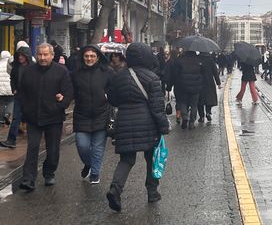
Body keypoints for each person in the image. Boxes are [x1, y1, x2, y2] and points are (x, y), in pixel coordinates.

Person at [105, 43, 170, 212]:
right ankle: (152, 192)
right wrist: (164, 127)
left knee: (126, 160)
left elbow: (112, 99)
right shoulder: (152, 78)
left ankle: (115, 189)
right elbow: (157, 107)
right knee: (151, 158)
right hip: (148, 124)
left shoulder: (118, 76)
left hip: (124, 122)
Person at [18, 43, 74, 191]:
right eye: (40, 55)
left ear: (52, 55)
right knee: (33, 148)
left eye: (45, 55)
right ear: (36, 55)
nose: (42, 58)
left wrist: (61, 104)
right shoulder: (29, 71)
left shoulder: (61, 71)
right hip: (33, 117)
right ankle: (28, 179)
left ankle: (49, 172)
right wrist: (25, 109)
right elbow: (22, 92)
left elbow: (68, 93)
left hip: (54, 118)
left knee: (53, 149)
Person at [72, 45, 115, 184]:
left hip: (101, 113)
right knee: (82, 145)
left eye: (92, 56)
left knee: (98, 147)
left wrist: (109, 96)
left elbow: (115, 88)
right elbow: (70, 90)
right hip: (81, 114)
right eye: (86, 56)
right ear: (82, 57)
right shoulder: (76, 73)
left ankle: (95, 173)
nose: (89, 58)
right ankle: (89, 164)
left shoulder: (107, 71)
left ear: (97, 57)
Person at [0, 45, 32, 148]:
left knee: (30, 117)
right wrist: (13, 88)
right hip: (19, 95)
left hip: (30, 96)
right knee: (16, 117)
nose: (20, 58)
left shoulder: (33, 67)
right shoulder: (16, 67)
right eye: (19, 55)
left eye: (22, 56)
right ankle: (11, 140)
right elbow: (12, 79)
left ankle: (34, 137)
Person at [168, 51, 204, 130]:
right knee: (194, 105)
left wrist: (170, 85)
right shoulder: (199, 60)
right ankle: (191, 123)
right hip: (196, 87)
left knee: (183, 103)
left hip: (182, 86)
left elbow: (175, 74)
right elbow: (203, 73)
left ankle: (185, 117)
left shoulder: (179, 60)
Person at [197, 52, 222, 123]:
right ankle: (208, 112)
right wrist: (218, 83)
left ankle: (201, 116)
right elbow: (215, 72)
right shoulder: (210, 59)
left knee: (200, 100)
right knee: (209, 98)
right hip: (209, 82)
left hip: (199, 81)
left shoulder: (197, 58)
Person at [0, 51, 12, 125]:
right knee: (11, 102)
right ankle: (7, 114)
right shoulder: (11, 64)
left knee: (1, 104)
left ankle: (1, 120)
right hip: (9, 88)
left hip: (0, 89)